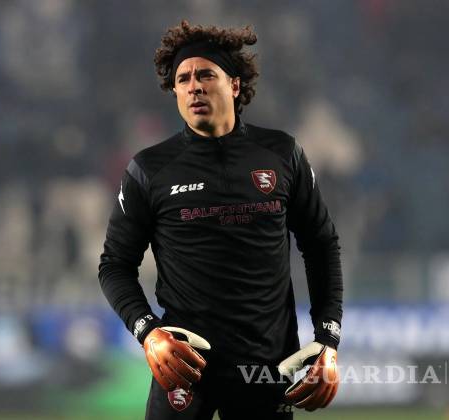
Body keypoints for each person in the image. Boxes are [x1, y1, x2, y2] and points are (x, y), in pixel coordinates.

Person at [99, 20, 343, 419]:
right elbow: (114, 265)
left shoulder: (281, 154)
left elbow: (321, 245)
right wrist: (148, 332)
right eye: (183, 79)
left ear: (234, 85)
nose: (193, 86)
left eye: (205, 75)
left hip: (265, 368)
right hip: (184, 367)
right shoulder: (149, 169)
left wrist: (328, 339)